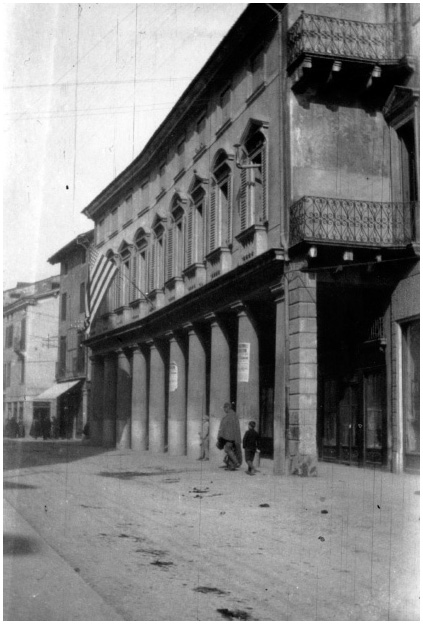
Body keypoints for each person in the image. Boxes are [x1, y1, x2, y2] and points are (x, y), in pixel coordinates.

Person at [217, 402, 241, 470]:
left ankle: (236, 462)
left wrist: (219, 436)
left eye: (224, 408)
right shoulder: (234, 416)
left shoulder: (227, 417)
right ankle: (231, 465)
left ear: (227, 408)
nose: (224, 410)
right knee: (230, 450)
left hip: (228, 437)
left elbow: (223, 427)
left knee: (227, 449)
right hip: (234, 437)